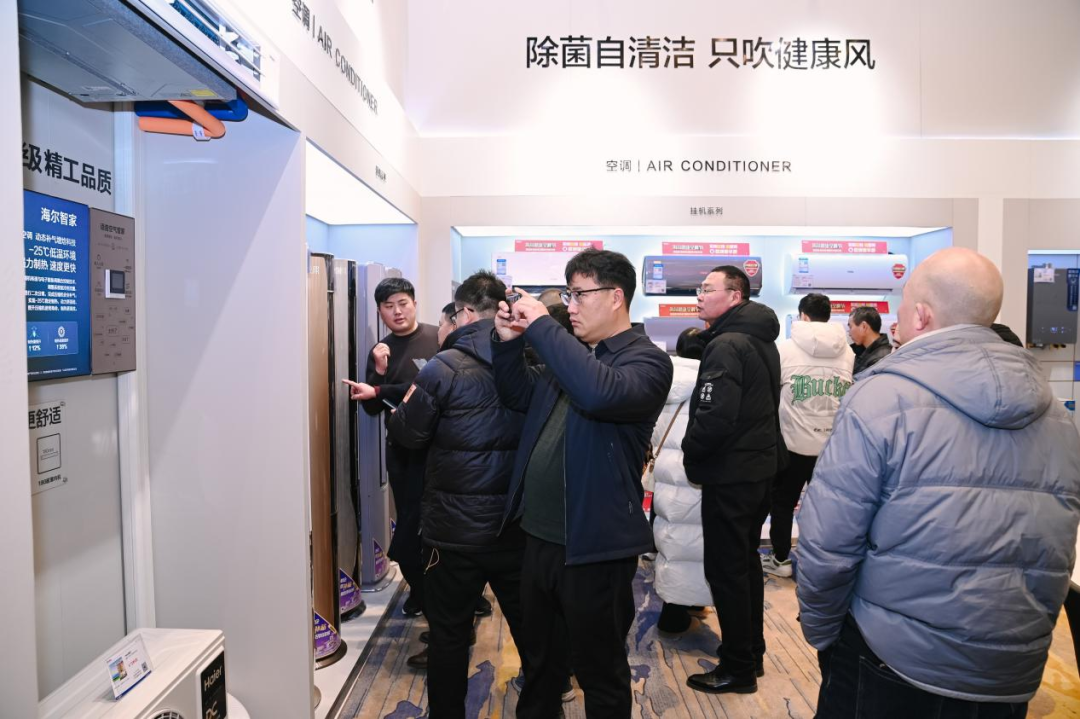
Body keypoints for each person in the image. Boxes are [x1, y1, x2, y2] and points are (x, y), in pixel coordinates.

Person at [797, 247, 1080, 717]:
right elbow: (1057, 545)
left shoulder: (879, 399)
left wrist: (824, 633)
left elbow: (829, 542)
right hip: (1008, 667)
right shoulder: (1057, 417)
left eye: (903, 305)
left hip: (892, 656)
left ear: (922, 316)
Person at [492, 248, 673, 718]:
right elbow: (517, 395)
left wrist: (542, 325)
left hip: (595, 546)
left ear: (616, 297)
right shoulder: (575, 356)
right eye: (567, 296)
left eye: (579, 295)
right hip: (538, 536)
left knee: (600, 671)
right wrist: (508, 342)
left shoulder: (647, 362)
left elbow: (597, 392)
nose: (570, 306)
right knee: (540, 664)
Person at [387, 271, 528, 718]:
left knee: (448, 636)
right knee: (533, 631)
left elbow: (409, 434)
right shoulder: (530, 359)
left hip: (453, 532)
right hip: (516, 525)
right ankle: (544, 703)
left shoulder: (443, 367)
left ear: (464, 313)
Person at [681, 265, 780, 695]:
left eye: (708, 289)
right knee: (744, 565)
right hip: (757, 469)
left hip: (731, 473)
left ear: (735, 296)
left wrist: (690, 451)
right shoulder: (759, 338)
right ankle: (751, 654)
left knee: (726, 571)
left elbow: (714, 416)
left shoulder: (726, 344)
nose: (699, 296)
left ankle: (738, 668)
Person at [343, 278, 438, 635]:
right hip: (402, 453)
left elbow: (432, 390)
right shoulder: (380, 350)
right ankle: (423, 592)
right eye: (388, 306)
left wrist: (381, 388)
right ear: (380, 311)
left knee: (438, 528)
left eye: (402, 303)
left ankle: (456, 596)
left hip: (439, 452)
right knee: (410, 530)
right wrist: (379, 371)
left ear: (414, 303)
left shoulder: (437, 338)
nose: (397, 312)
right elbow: (370, 408)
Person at [760, 293, 854, 578]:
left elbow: (771, 392)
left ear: (802, 315)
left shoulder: (785, 349)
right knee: (827, 505)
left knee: (783, 503)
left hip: (792, 441)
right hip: (831, 445)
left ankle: (781, 559)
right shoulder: (847, 352)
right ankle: (822, 560)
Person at [652, 328, 711, 634]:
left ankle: (681, 605)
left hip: (666, 472)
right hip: (696, 472)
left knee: (672, 542)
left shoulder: (663, 378)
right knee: (694, 544)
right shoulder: (710, 382)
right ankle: (675, 614)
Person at [848, 306, 891, 374]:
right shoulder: (863, 351)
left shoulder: (880, 359)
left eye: (850, 327)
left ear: (864, 327)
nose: (849, 333)